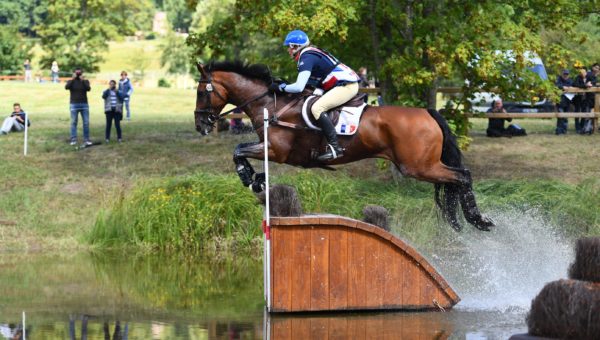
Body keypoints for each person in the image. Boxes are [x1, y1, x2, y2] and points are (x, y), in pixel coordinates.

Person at [270, 30, 360, 161]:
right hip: (341, 85)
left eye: (289, 47)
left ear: (295, 46)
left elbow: (299, 87)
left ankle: (336, 148)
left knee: (317, 108)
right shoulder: (310, 53)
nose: (288, 50)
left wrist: (281, 87)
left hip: (346, 86)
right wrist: (286, 84)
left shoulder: (307, 57)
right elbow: (308, 85)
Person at [65, 68, 92, 145]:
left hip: (84, 104)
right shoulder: (71, 81)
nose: (78, 75)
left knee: (86, 123)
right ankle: (73, 139)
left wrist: (82, 80)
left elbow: (88, 89)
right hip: (74, 104)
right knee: (73, 122)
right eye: (77, 73)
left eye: (79, 73)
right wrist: (73, 79)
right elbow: (66, 87)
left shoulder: (85, 81)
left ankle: (86, 139)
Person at [572, 67, 593, 134]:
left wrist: (590, 83)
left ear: (586, 72)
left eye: (584, 72)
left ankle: (582, 128)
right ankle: (577, 128)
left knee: (584, 113)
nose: (582, 73)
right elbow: (575, 84)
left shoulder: (589, 77)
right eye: (581, 72)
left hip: (586, 98)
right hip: (578, 98)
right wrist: (585, 85)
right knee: (577, 112)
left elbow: (594, 82)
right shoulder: (578, 77)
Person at [555, 69, 574, 135]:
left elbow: (572, 86)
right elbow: (557, 85)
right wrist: (563, 87)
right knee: (560, 116)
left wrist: (566, 88)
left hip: (567, 101)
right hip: (560, 102)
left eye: (567, 74)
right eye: (564, 74)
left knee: (565, 117)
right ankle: (559, 131)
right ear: (562, 74)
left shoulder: (570, 80)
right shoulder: (558, 79)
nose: (566, 75)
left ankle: (564, 130)